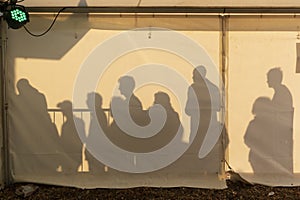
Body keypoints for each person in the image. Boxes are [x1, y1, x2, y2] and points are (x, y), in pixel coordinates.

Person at [85, 92, 108, 173]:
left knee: (97, 171)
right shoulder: (98, 115)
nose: (86, 102)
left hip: (97, 151)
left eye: (88, 100)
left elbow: (96, 135)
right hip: (97, 151)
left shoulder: (98, 116)